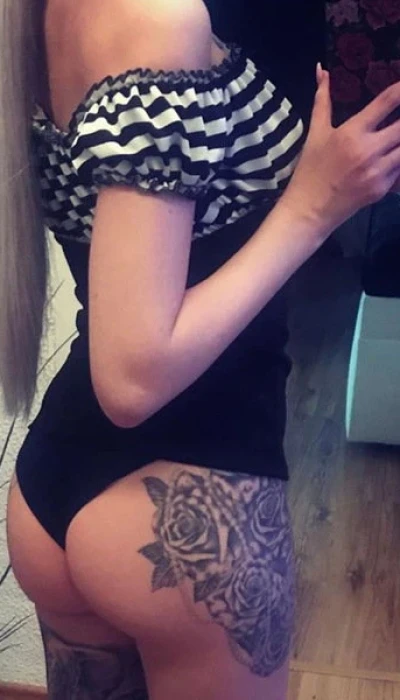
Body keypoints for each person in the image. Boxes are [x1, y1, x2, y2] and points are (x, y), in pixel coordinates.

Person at [4, 1, 400, 698]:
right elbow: (133, 378)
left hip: (55, 482)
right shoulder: (158, 20)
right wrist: (315, 207)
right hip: (189, 507)